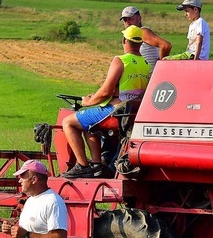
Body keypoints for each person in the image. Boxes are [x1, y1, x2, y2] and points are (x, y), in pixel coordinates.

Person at [61, 25, 151, 178]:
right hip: (131, 114)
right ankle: (97, 165)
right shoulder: (146, 64)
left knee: (68, 122)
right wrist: (95, 97)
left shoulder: (121, 60)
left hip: (115, 112)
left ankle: (83, 166)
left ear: (124, 40)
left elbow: (106, 91)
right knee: (89, 123)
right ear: (141, 43)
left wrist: (88, 102)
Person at [120, 6, 172, 71]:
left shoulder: (142, 31)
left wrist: (160, 67)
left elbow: (166, 45)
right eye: (125, 20)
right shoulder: (131, 35)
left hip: (149, 76)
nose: (127, 22)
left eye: (130, 19)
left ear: (139, 18)